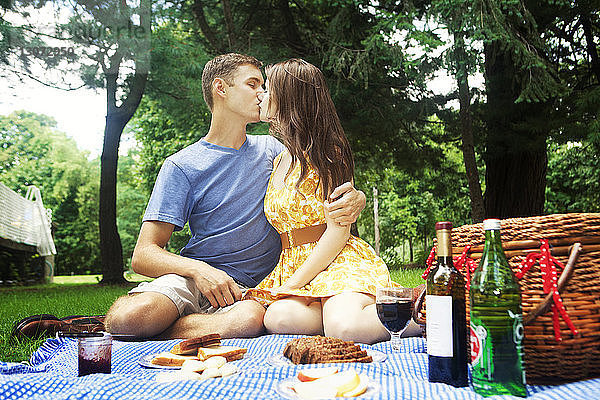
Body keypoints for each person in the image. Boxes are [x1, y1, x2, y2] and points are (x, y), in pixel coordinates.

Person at [104, 53, 366, 340]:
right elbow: (143, 255)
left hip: (251, 291)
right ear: (221, 88)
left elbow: (320, 178)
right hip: (196, 277)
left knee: (248, 322)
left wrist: (356, 197)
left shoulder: (274, 151)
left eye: (264, 87)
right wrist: (200, 271)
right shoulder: (182, 166)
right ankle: (161, 323)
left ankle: (166, 328)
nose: (262, 94)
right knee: (129, 319)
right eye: (252, 84)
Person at [242, 58, 396, 345]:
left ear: (289, 99)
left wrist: (292, 284)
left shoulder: (327, 151)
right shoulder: (278, 159)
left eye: (269, 88)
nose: (261, 94)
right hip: (297, 264)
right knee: (279, 318)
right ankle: (338, 313)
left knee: (346, 329)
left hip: (336, 258)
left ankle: (429, 312)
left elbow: (338, 232)